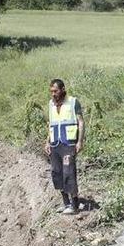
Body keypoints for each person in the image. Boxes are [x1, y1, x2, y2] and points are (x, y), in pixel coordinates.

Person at [44, 78, 85, 215]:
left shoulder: (73, 102)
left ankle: (74, 204)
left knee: (69, 173)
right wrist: (47, 142)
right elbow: (51, 124)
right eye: (51, 92)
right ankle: (65, 203)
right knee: (57, 173)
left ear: (62, 90)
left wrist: (79, 141)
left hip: (69, 144)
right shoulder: (51, 104)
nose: (53, 94)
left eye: (55, 91)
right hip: (55, 144)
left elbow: (81, 122)